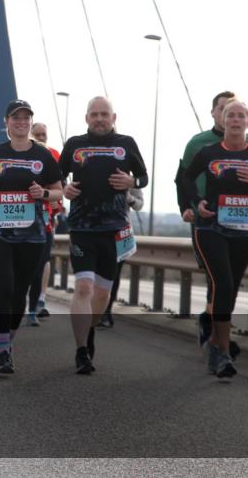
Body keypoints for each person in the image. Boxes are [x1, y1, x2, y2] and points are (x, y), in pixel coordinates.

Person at [177, 100, 248, 378]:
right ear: (222, 121)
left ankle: (214, 344)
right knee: (221, 283)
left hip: (243, 231)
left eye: (241, 116)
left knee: (231, 290)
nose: (235, 120)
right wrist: (196, 202)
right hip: (210, 227)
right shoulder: (208, 152)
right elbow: (185, 179)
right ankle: (223, 353)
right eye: (230, 115)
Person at [59, 96, 147, 374]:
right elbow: (57, 177)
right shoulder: (74, 144)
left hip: (115, 229)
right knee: (84, 287)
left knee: (102, 293)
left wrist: (132, 182)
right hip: (83, 227)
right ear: (86, 118)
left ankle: (91, 328)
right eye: (94, 114)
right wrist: (65, 188)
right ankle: (81, 350)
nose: (99, 119)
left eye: (104, 114)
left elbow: (144, 177)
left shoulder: (126, 143)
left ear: (113, 117)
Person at [0, 101, 63, 374]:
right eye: (16, 118)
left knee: (20, 292)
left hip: (32, 232)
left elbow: (59, 190)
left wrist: (45, 194)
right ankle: (2, 352)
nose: (22, 122)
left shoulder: (43, 156)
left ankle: (8, 342)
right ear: (7, 122)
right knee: (6, 284)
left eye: (26, 118)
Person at [175, 90, 248, 352]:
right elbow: (182, 179)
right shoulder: (198, 144)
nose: (230, 116)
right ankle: (220, 341)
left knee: (227, 282)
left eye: (237, 112)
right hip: (206, 219)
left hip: (239, 222)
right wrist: (187, 208)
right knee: (218, 279)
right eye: (224, 110)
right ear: (215, 113)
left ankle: (211, 325)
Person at [26, 122, 62, 324]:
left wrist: (55, 206)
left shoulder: (54, 155)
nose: (40, 137)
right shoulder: (21, 154)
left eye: (44, 135)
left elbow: (59, 186)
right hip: (20, 220)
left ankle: (37, 302)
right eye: (37, 134)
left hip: (45, 217)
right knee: (24, 264)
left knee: (42, 261)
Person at [97, 187, 145, 328]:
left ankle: (106, 312)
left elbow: (139, 205)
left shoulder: (130, 179)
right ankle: (95, 310)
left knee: (114, 275)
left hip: (121, 232)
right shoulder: (94, 168)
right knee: (97, 274)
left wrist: (129, 198)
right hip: (97, 229)